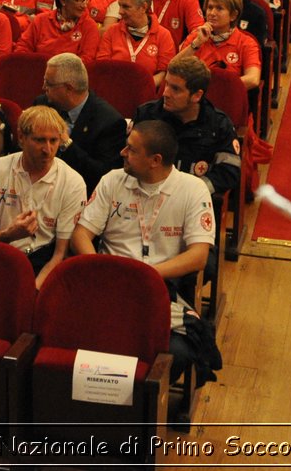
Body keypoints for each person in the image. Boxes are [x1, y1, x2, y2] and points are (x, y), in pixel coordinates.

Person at [69, 120, 217, 386]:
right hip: (109, 282)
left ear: (155, 160)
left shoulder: (193, 190)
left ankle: (141, 406)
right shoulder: (112, 181)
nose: (122, 153)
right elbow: (81, 234)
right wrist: (98, 269)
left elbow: (199, 256)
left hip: (159, 286)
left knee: (179, 354)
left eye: (131, 149)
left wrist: (144, 276)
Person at [0, 105, 88, 287]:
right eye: (40, 140)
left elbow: (60, 255)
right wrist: (9, 234)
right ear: (22, 139)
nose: (47, 149)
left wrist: (33, 291)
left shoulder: (73, 182)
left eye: (54, 141)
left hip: (43, 262)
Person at [133, 55, 240, 203]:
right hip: (145, 198)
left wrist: (192, 191)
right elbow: (129, 160)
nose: (165, 93)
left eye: (175, 89)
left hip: (193, 203)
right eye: (167, 85)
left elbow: (229, 171)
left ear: (197, 95)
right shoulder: (147, 115)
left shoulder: (219, 125)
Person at [37, 53, 128, 191]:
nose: (44, 87)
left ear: (68, 88)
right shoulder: (43, 104)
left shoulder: (110, 122)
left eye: (49, 83)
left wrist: (67, 144)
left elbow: (103, 176)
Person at [95, 0, 176, 88]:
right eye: (120, 6)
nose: (120, 12)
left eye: (126, 7)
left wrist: (140, 88)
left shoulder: (163, 35)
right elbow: (102, 68)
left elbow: (163, 74)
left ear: (143, 7)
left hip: (148, 95)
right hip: (115, 91)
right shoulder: (111, 32)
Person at [178, 0, 262, 90]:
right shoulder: (197, 35)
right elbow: (173, 68)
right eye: (210, 7)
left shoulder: (246, 42)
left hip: (225, 99)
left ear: (233, 15)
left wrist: (214, 88)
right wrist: (197, 43)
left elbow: (253, 79)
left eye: (219, 8)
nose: (212, 13)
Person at [15, 0, 101, 58]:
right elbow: (23, 47)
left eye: (86, 0)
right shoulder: (41, 20)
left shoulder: (89, 26)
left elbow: (87, 59)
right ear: (63, 0)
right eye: (78, 0)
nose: (84, 6)